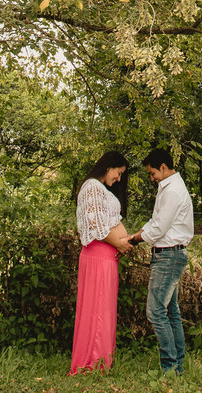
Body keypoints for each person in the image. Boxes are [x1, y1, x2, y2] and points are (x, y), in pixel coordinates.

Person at [128, 147, 194, 375]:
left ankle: (170, 367)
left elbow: (158, 228)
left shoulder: (173, 190)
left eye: (152, 173)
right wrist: (136, 234)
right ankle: (177, 366)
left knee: (155, 311)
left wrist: (135, 239)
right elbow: (155, 220)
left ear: (163, 167)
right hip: (168, 254)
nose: (151, 177)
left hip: (169, 256)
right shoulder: (168, 187)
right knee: (171, 311)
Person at [70, 150, 131, 375]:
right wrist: (120, 244)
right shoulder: (93, 187)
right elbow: (95, 227)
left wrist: (123, 242)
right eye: (118, 172)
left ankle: (101, 361)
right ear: (108, 166)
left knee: (103, 308)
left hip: (105, 258)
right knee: (96, 308)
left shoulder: (100, 188)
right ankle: (92, 362)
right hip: (97, 256)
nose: (119, 178)